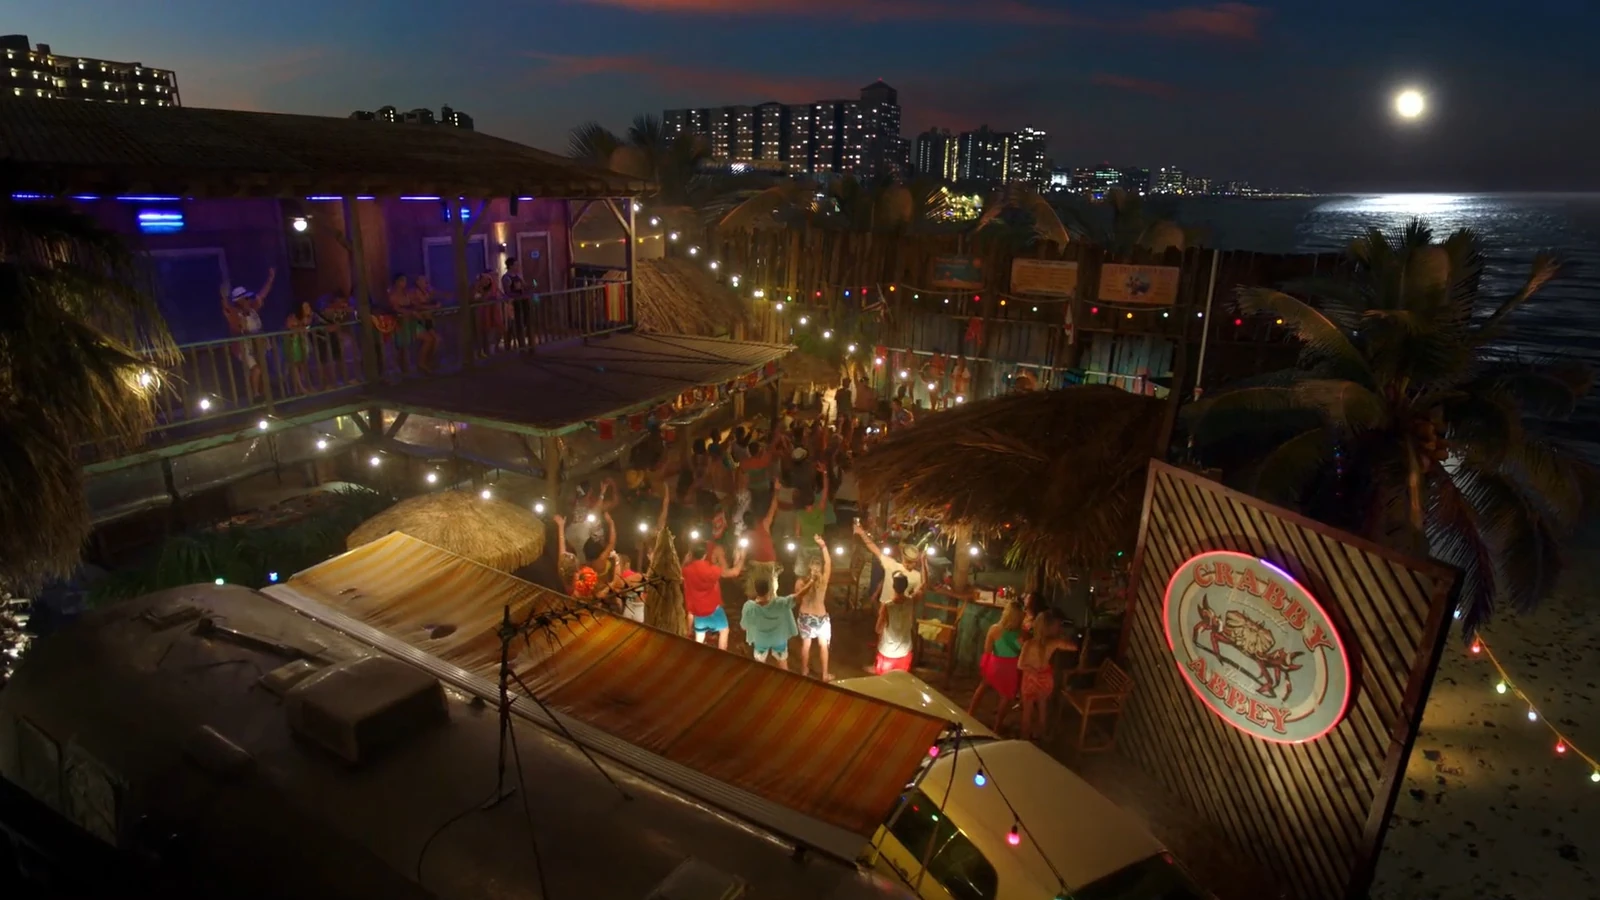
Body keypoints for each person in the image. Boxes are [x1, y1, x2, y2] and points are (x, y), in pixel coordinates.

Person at [1018, 610, 1079, 741]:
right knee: (1043, 707)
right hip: (1045, 678)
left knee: (1027, 711)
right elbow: (1074, 647)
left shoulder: (1028, 644)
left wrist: (1032, 671)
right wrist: (1062, 636)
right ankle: (1041, 736)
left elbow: (1020, 664)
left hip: (1030, 679)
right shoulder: (1053, 642)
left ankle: (1024, 738)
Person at [969, 600, 1025, 733]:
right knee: (1006, 697)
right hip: (1011, 668)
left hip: (995, 665)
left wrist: (984, 667)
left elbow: (987, 651)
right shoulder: (1022, 634)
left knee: (983, 687)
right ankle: (997, 726)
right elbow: (1023, 654)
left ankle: (970, 713)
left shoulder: (994, 629)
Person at [220, 267, 275, 401]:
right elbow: (227, 310)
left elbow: (262, 295)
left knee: (262, 368)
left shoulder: (252, 309)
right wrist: (223, 296)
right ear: (239, 301)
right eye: (245, 299)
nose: (248, 301)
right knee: (256, 369)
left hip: (259, 343)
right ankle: (255, 394)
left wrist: (270, 279)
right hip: (244, 346)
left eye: (247, 298)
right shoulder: (235, 314)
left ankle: (263, 393)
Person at [682, 541, 745, 650]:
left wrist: (686, 560)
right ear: (705, 554)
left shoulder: (687, 570)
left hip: (698, 613)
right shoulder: (711, 569)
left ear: (691, 554)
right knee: (724, 631)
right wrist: (742, 557)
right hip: (714, 611)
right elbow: (733, 572)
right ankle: (720, 654)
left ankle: (696, 656)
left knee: (699, 636)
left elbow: (680, 572)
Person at [853, 521, 923, 607]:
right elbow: (916, 597)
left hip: (890, 607)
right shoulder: (916, 575)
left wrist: (862, 533)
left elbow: (873, 548)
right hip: (899, 609)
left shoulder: (891, 565)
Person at [796, 534, 834, 680]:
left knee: (806, 645)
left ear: (808, 567)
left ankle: (804, 671)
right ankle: (824, 675)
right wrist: (823, 545)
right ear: (820, 568)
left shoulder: (800, 582)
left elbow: (797, 598)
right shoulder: (823, 580)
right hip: (821, 618)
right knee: (823, 645)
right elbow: (829, 563)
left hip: (805, 616)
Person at [740, 577, 798, 669]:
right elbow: (798, 596)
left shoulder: (750, 607)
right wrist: (811, 581)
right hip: (779, 640)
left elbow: (743, 626)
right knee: (783, 664)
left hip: (761, 641)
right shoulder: (780, 603)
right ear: (769, 588)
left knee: (759, 667)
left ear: (756, 590)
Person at [874, 571, 920, 675]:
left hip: (888, 653)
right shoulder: (911, 602)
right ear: (906, 586)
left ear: (893, 586)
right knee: (900, 680)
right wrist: (923, 563)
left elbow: (878, 629)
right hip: (905, 652)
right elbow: (924, 585)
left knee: (884, 681)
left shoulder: (887, 606)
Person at [316, 288, 355, 383]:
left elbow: (341, 320)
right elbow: (324, 325)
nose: (343, 304)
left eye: (344, 302)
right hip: (320, 335)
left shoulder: (342, 310)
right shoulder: (326, 310)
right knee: (324, 360)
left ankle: (345, 379)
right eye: (340, 302)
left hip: (332, 334)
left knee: (338, 356)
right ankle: (325, 383)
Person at [410, 275, 441, 373]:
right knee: (430, 339)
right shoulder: (414, 293)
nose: (425, 282)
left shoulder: (427, 291)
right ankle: (422, 363)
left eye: (426, 281)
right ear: (417, 282)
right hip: (419, 321)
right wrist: (432, 307)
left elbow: (436, 297)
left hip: (427, 320)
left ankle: (428, 361)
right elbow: (417, 306)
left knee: (436, 340)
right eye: (423, 281)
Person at [283, 301, 314, 395]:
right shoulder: (292, 317)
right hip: (292, 342)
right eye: (305, 307)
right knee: (295, 364)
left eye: (308, 306)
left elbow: (307, 328)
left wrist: (308, 317)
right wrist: (299, 328)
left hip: (302, 341)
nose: (307, 308)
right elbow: (289, 327)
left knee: (302, 364)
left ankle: (302, 387)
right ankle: (300, 388)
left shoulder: (307, 317)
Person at [471, 271, 503, 359]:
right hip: (480, 314)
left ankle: (491, 351)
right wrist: (485, 296)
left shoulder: (493, 288)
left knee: (493, 332)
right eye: (485, 280)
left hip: (492, 314)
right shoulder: (476, 288)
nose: (487, 282)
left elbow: (500, 295)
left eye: (489, 280)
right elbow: (475, 298)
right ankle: (480, 352)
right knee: (480, 334)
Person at [502, 258, 530, 349]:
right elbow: (507, 292)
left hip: (522, 302)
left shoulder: (519, 276)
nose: (518, 267)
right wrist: (516, 296)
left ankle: (523, 344)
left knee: (522, 323)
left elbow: (524, 286)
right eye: (516, 265)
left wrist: (530, 286)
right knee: (514, 325)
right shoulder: (506, 278)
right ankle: (511, 345)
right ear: (510, 266)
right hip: (513, 304)